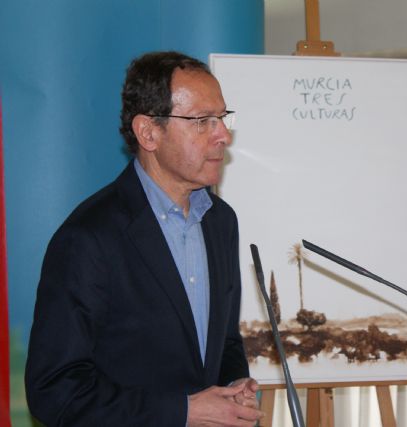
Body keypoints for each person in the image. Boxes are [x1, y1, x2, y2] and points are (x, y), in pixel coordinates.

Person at [25, 51, 264, 426]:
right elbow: (54, 391)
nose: (223, 135)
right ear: (149, 132)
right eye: (203, 121)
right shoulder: (89, 237)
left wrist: (232, 384)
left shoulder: (220, 221)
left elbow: (225, 342)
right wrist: (182, 412)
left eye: (222, 117)